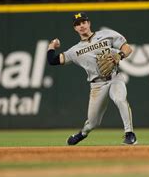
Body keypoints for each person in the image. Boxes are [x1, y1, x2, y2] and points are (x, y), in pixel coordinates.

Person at [47, 12, 137, 145]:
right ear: (75, 28)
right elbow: (53, 61)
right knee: (93, 122)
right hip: (97, 85)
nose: (81, 26)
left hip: (115, 78)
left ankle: (129, 134)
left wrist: (120, 55)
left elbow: (127, 48)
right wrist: (51, 47)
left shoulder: (106, 34)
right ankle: (83, 133)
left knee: (120, 99)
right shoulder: (74, 51)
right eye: (77, 24)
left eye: (83, 22)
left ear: (89, 23)